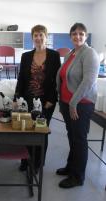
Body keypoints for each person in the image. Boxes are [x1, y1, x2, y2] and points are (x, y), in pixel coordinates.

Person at [56, 23, 99, 188]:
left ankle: (77, 177)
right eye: (74, 34)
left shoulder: (90, 54)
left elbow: (89, 81)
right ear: (70, 36)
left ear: (86, 36)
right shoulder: (71, 53)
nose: (77, 36)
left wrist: (73, 103)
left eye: (81, 33)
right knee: (71, 136)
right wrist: (62, 101)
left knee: (79, 140)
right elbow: (63, 76)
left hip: (81, 104)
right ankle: (70, 166)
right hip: (68, 103)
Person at [14, 24, 61, 172]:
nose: (39, 38)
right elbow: (21, 78)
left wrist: (52, 100)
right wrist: (17, 98)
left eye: (41, 35)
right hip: (27, 100)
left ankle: (37, 164)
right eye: (36, 35)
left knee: (41, 131)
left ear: (46, 37)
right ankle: (25, 160)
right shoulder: (26, 56)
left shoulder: (54, 55)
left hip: (46, 101)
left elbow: (57, 80)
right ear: (32, 37)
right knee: (26, 129)